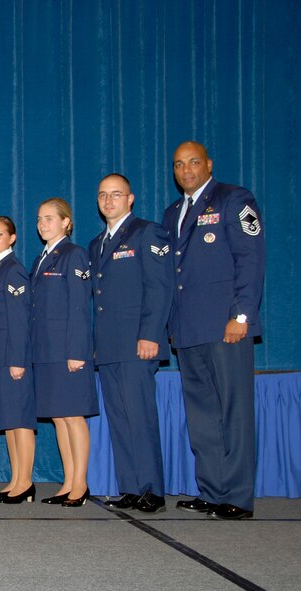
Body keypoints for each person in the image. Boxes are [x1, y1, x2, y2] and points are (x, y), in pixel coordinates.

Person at [162, 141, 265, 520]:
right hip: (188, 330)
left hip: (226, 328)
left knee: (233, 412)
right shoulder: (172, 212)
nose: (186, 170)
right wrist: (172, 324)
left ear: (208, 164)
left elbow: (250, 259)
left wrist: (241, 316)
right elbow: (173, 276)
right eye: (178, 165)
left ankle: (237, 496)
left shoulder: (234, 199)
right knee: (202, 414)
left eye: (193, 163)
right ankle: (212, 489)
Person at [89, 175, 172, 513]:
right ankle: (130, 487)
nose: (109, 201)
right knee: (120, 418)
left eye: (116, 195)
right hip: (109, 345)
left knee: (140, 417)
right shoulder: (97, 244)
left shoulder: (146, 233)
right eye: (103, 195)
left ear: (130, 198)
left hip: (138, 343)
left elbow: (159, 287)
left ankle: (152, 489)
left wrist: (151, 333)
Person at [30, 198, 99, 507]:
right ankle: (68, 481)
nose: (43, 224)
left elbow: (78, 308)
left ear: (66, 222)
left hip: (68, 350)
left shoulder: (74, 255)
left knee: (73, 417)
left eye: (49, 218)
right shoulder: (41, 259)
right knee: (59, 417)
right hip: (46, 350)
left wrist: (77, 350)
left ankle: (80, 483)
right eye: (40, 219)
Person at [0, 216, 36, 504]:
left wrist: (17, 359)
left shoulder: (13, 270)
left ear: (12, 238)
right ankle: (15, 479)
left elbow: (19, 320)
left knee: (21, 420)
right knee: (9, 421)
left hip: (11, 356)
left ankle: (26, 482)